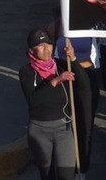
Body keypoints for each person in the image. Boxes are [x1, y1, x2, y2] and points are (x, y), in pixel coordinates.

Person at [19, 29, 88, 180]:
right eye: (41, 46)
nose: (47, 49)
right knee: (47, 175)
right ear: (31, 50)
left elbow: (84, 84)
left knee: (66, 175)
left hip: (63, 129)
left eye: (49, 44)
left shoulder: (62, 66)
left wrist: (74, 59)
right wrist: (55, 81)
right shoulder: (26, 72)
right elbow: (34, 101)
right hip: (40, 131)